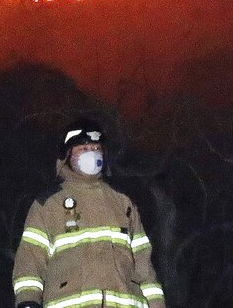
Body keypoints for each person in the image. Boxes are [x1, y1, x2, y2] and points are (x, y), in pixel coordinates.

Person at [13, 119, 166, 308]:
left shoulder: (123, 203)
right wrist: (28, 300)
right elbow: (30, 260)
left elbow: (144, 266)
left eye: (96, 148)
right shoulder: (48, 205)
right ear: (68, 154)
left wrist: (157, 304)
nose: (91, 154)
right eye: (84, 149)